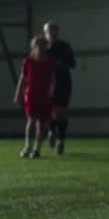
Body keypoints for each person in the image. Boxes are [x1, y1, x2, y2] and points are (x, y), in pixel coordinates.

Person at [14, 37, 54, 159]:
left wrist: (52, 92)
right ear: (34, 46)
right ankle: (28, 147)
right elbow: (23, 78)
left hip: (44, 94)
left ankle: (37, 149)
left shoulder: (50, 62)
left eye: (43, 45)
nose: (40, 47)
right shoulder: (28, 61)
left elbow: (53, 79)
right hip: (32, 94)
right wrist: (18, 93)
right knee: (31, 120)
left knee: (41, 123)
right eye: (38, 45)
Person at [42, 22, 75, 155]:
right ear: (45, 32)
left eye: (54, 30)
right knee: (51, 110)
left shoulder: (65, 46)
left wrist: (62, 62)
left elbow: (73, 63)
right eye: (49, 30)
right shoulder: (42, 47)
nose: (51, 32)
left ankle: (61, 140)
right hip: (47, 82)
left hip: (63, 81)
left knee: (62, 111)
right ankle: (51, 130)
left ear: (57, 31)